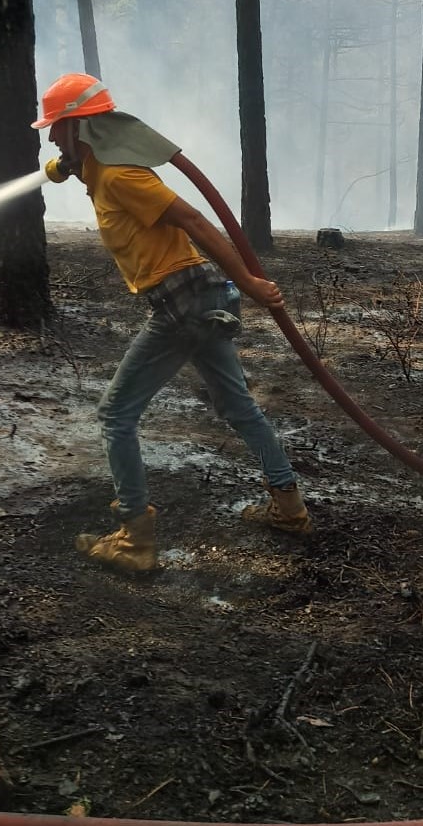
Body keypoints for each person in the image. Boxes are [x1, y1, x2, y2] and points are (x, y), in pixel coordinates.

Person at [31, 72, 313, 573]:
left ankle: (135, 538)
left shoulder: (123, 177)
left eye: (57, 127)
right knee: (239, 407)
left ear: (81, 128)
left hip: (182, 308)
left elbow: (198, 223)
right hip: (202, 304)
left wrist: (249, 282)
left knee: (115, 414)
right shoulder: (99, 168)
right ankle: (289, 508)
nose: (51, 137)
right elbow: (62, 166)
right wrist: (63, 166)